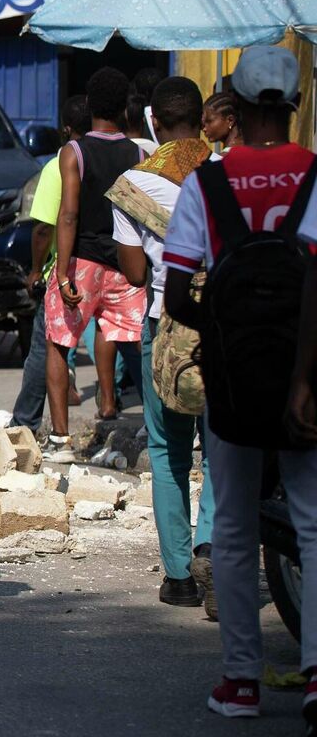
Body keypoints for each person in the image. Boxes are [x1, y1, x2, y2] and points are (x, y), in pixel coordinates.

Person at [161, 47, 317, 721]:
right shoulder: (315, 178)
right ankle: (315, 676)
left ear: (237, 106)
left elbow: (175, 292)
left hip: (232, 378)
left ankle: (241, 683)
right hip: (307, 380)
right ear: (291, 107)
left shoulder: (207, 185)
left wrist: (224, 336)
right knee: (313, 522)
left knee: (231, 524)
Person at [107, 76, 215, 609]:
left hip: (164, 323)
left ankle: (178, 576)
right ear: (202, 120)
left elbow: (131, 272)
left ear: (153, 123)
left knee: (168, 450)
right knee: (221, 450)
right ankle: (213, 546)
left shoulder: (133, 184)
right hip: (224, 326)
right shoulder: (225, 174)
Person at [44, 68, 145, 447]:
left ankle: (60, 439)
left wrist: (63, 274)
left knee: (59, 341)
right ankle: (157, 426)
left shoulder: (74, 152)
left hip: (81, 261)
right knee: (135, 342)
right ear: (124, 108)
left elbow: (68, 214)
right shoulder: (137, 152)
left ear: (88, 106)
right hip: (123, 262)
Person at [6, 95, 90, 432]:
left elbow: (43, 228)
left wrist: (36, 269)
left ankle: (26, 423)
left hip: (69, 268)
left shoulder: (58, 165)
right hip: (111, 263)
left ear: (66, 129)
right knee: (123, 341)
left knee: (46, 344)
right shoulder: (112, 156)